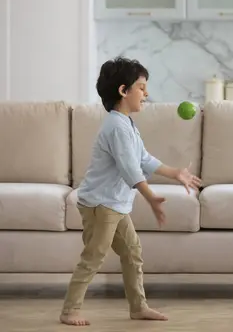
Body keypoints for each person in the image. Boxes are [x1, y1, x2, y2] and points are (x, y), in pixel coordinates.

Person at [59, 57, 202, 326]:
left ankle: (138, 307)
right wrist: (150, 197)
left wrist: (175, 173)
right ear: (123, 91)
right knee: (94, 256)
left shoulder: (126, 125)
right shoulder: (116, 127)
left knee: (132, 252)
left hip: (114, 204)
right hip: (100, 205)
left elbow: (142, 159)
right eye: (141, 87)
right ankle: (70, 310)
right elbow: (129, 169)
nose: (146, 93)